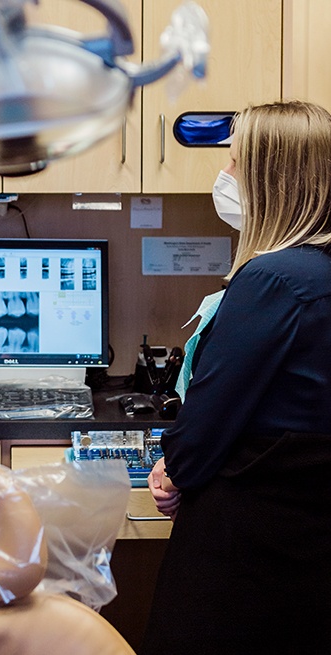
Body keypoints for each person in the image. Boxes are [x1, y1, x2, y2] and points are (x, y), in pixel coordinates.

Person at [141, 100, 331, 655]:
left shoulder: (273, 278)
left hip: (252, 558)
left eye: (234, 163)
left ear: (273, 179)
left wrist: (174, 467)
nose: (224, 178)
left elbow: (201, 437)